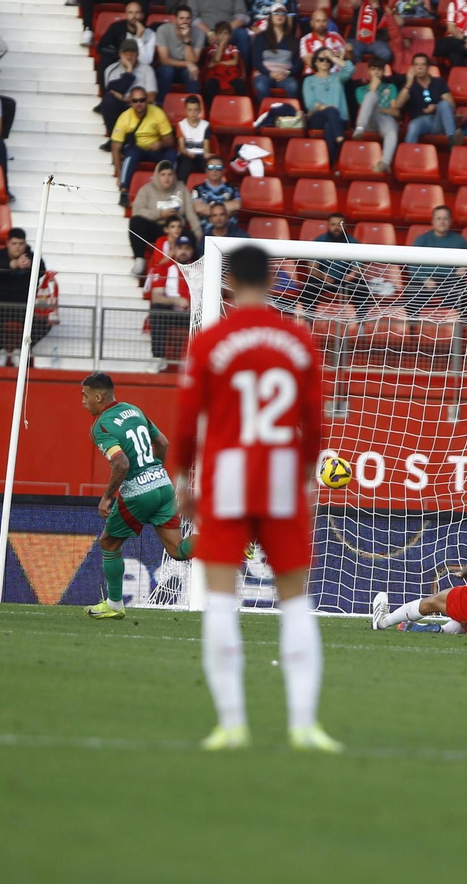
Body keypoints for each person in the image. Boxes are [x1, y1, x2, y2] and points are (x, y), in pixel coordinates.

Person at [171, 244, 339, 752]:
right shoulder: (297, 339)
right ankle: (305, 724)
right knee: (295, 601)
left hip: (228, 477)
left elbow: (186, 420)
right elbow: (314, 419)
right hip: (282, 475)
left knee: (221, 596)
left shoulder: (212, 340)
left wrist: (182, 482)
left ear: (228, 282)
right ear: (271, 282)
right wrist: (306, 471)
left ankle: (231, 723)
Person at [79, 372, 195, 620]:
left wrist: (107, 497)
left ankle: (114, 604)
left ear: (98, 396)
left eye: (85, 395)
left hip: (138, 493)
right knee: (179, 551)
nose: (83, 401)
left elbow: (120, 464)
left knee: (109, 543)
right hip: (163, 486)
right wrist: (155, 473)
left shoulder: (100, 426)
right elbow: (162, 443)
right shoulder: (134, 410)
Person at [0, 226, 52, 361]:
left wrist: (31, 266)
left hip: (23, 305)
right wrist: (13, 264)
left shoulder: (33, 256)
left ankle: (21, 350)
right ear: (7, 244)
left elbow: (43, 271)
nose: (17, 247)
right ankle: (0, 350)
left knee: (45, 321)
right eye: (14, 244)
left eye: (21, 244)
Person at [110, 89, 175, 204]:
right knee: (131, 153)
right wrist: (119, 176)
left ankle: (172, 192)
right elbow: (115, 148)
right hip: (136, 149)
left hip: (154, 149)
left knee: (171, 154)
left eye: (142, 100)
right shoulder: (124, 117)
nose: (139, 103)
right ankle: (124, 191)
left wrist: (161, 144)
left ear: (147, 101)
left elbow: (169, 139)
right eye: (135, 101)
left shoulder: (157, 113)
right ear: (130, 102)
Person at [128, 160, 192, 274]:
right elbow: (137, 211)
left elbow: (190, 212)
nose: (167, 178)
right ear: (157, 176)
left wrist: (198, 232)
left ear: (174, 175)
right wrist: (161, 214)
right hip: (154, 228)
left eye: (170, 174)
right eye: (163, 175)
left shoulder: (181, 187)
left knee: (191, 235)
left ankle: (191, 267)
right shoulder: (146, 189)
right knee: (136, 222)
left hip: (176, 228)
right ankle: (140, 260)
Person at [407, 206, 467, 313]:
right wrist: (425, 280)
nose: (442, 222)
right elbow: (412, 265)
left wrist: (465, 267)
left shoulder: (460, 241)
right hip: (425, 281)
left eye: (445, 218)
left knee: (462, 296)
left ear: (450, 221)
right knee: (412, 293)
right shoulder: (421, 239)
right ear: (433, 221)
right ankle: (412, 327)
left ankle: (456, 328)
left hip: (450, 281)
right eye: (438, 218)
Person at [398, 52, 460, 145]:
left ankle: (453, 141)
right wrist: (409, 83)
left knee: (444, 104)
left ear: (428, 67)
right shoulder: (409, 85)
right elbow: (398, 104)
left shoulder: (439, 82)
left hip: (438, 120)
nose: (420, 68)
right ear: (412, 68)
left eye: (423, 65)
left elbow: (452, 107)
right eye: (416, 65)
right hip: (420, 121)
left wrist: (436, 107)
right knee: (413, 125)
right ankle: (408, 155)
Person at [303, 50, 354, 163]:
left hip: (339, 120)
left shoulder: (337, 77)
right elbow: (310, 104)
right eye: (321, 59)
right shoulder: (309, 80)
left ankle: (330, 162)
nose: (325, 61)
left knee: (329, 125)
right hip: (317, 117)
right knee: (331, 112)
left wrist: (333, 57)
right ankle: (340, 140)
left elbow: (350, 68)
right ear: (315, 62)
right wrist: (327, 109)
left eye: (327, 60)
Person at [352, 55, 400, 169]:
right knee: (371, 95)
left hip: (385, 119)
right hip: (368, 120)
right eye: (373, 69)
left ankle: (385, 163)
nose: (376, 72)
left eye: (379, 69)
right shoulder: (360, 89)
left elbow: (395, 111)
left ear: (383, 71)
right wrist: (374, 87)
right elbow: (365, 107)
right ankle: (359, 129)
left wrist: (381, 110)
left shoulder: (390, 87)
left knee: (392, 131)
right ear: (369, 71)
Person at [99, 39, 158, 131]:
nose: (129, 56)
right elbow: (111, 91)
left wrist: (125, 99)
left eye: (132, 53)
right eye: (126, 52)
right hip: (120, 107)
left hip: (139, 107)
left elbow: (151, 97)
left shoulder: (147, 70)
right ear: (120, 54)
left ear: (137, 55)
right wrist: (129, 71)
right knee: (108, 100)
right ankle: (113, 137)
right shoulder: (111, 69)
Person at [95, 1, 155, 78]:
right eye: (130, 12)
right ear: (126, 15)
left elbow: (145, 61)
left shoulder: (150, 34)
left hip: (139, 67)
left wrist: (139, 38)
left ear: (142, 15)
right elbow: (101, 47)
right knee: (105, 60)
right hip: (118, 63)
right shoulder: (116, 27)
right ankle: (105, 90)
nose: (134, 16)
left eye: (137, 12)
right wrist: (121, 55)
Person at [251, 7, 300, 98]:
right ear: (270, 17)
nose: (279, 15)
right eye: (276, 13)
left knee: (293, 86)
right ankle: (267, 111)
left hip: (285, 75)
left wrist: (288, 72)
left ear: (286, 17)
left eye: (283, 13)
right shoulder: (261, 37)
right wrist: (270, 73)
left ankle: (288, 111)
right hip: (265, 74)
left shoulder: (293, 39)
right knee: (260, 86)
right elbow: (256, 61)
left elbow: (298, 63)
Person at [191, 155, 240, 230]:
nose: (214, 170)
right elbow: (198, 208)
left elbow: (236, 205)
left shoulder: (233, 188)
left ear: (224, 171)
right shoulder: (198, 189)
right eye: (211, 167)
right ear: (206, 170)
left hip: (230, 233)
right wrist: (224, 210)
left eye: (218, 167)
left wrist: (208, 208)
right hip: (205, 232)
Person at [202, 20, 248, 101]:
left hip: (231, 74)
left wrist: (218, 63)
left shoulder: (233, 48)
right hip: (216, 75)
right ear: (216, 35)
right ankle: (209, 110)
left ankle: (240, 107)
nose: (223, 36)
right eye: (220, 33)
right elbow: (216, 58)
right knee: (211, 85)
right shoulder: (213, 48)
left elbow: (234, 62)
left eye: (225, 33)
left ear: (230, 36)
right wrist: (221, 46)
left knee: (240, 85)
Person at [175, 94, 211, 181]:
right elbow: (181, 148)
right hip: (187, 155)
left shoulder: (205, 125)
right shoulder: (181, 125)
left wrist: (207, 155)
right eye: (190, 110)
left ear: (200, 110)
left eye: (195, 110)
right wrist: (188, 154)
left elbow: (206, 146)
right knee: (184, 169)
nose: (193, 112)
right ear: (185, 111)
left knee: (209, 168)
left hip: (201, 155)